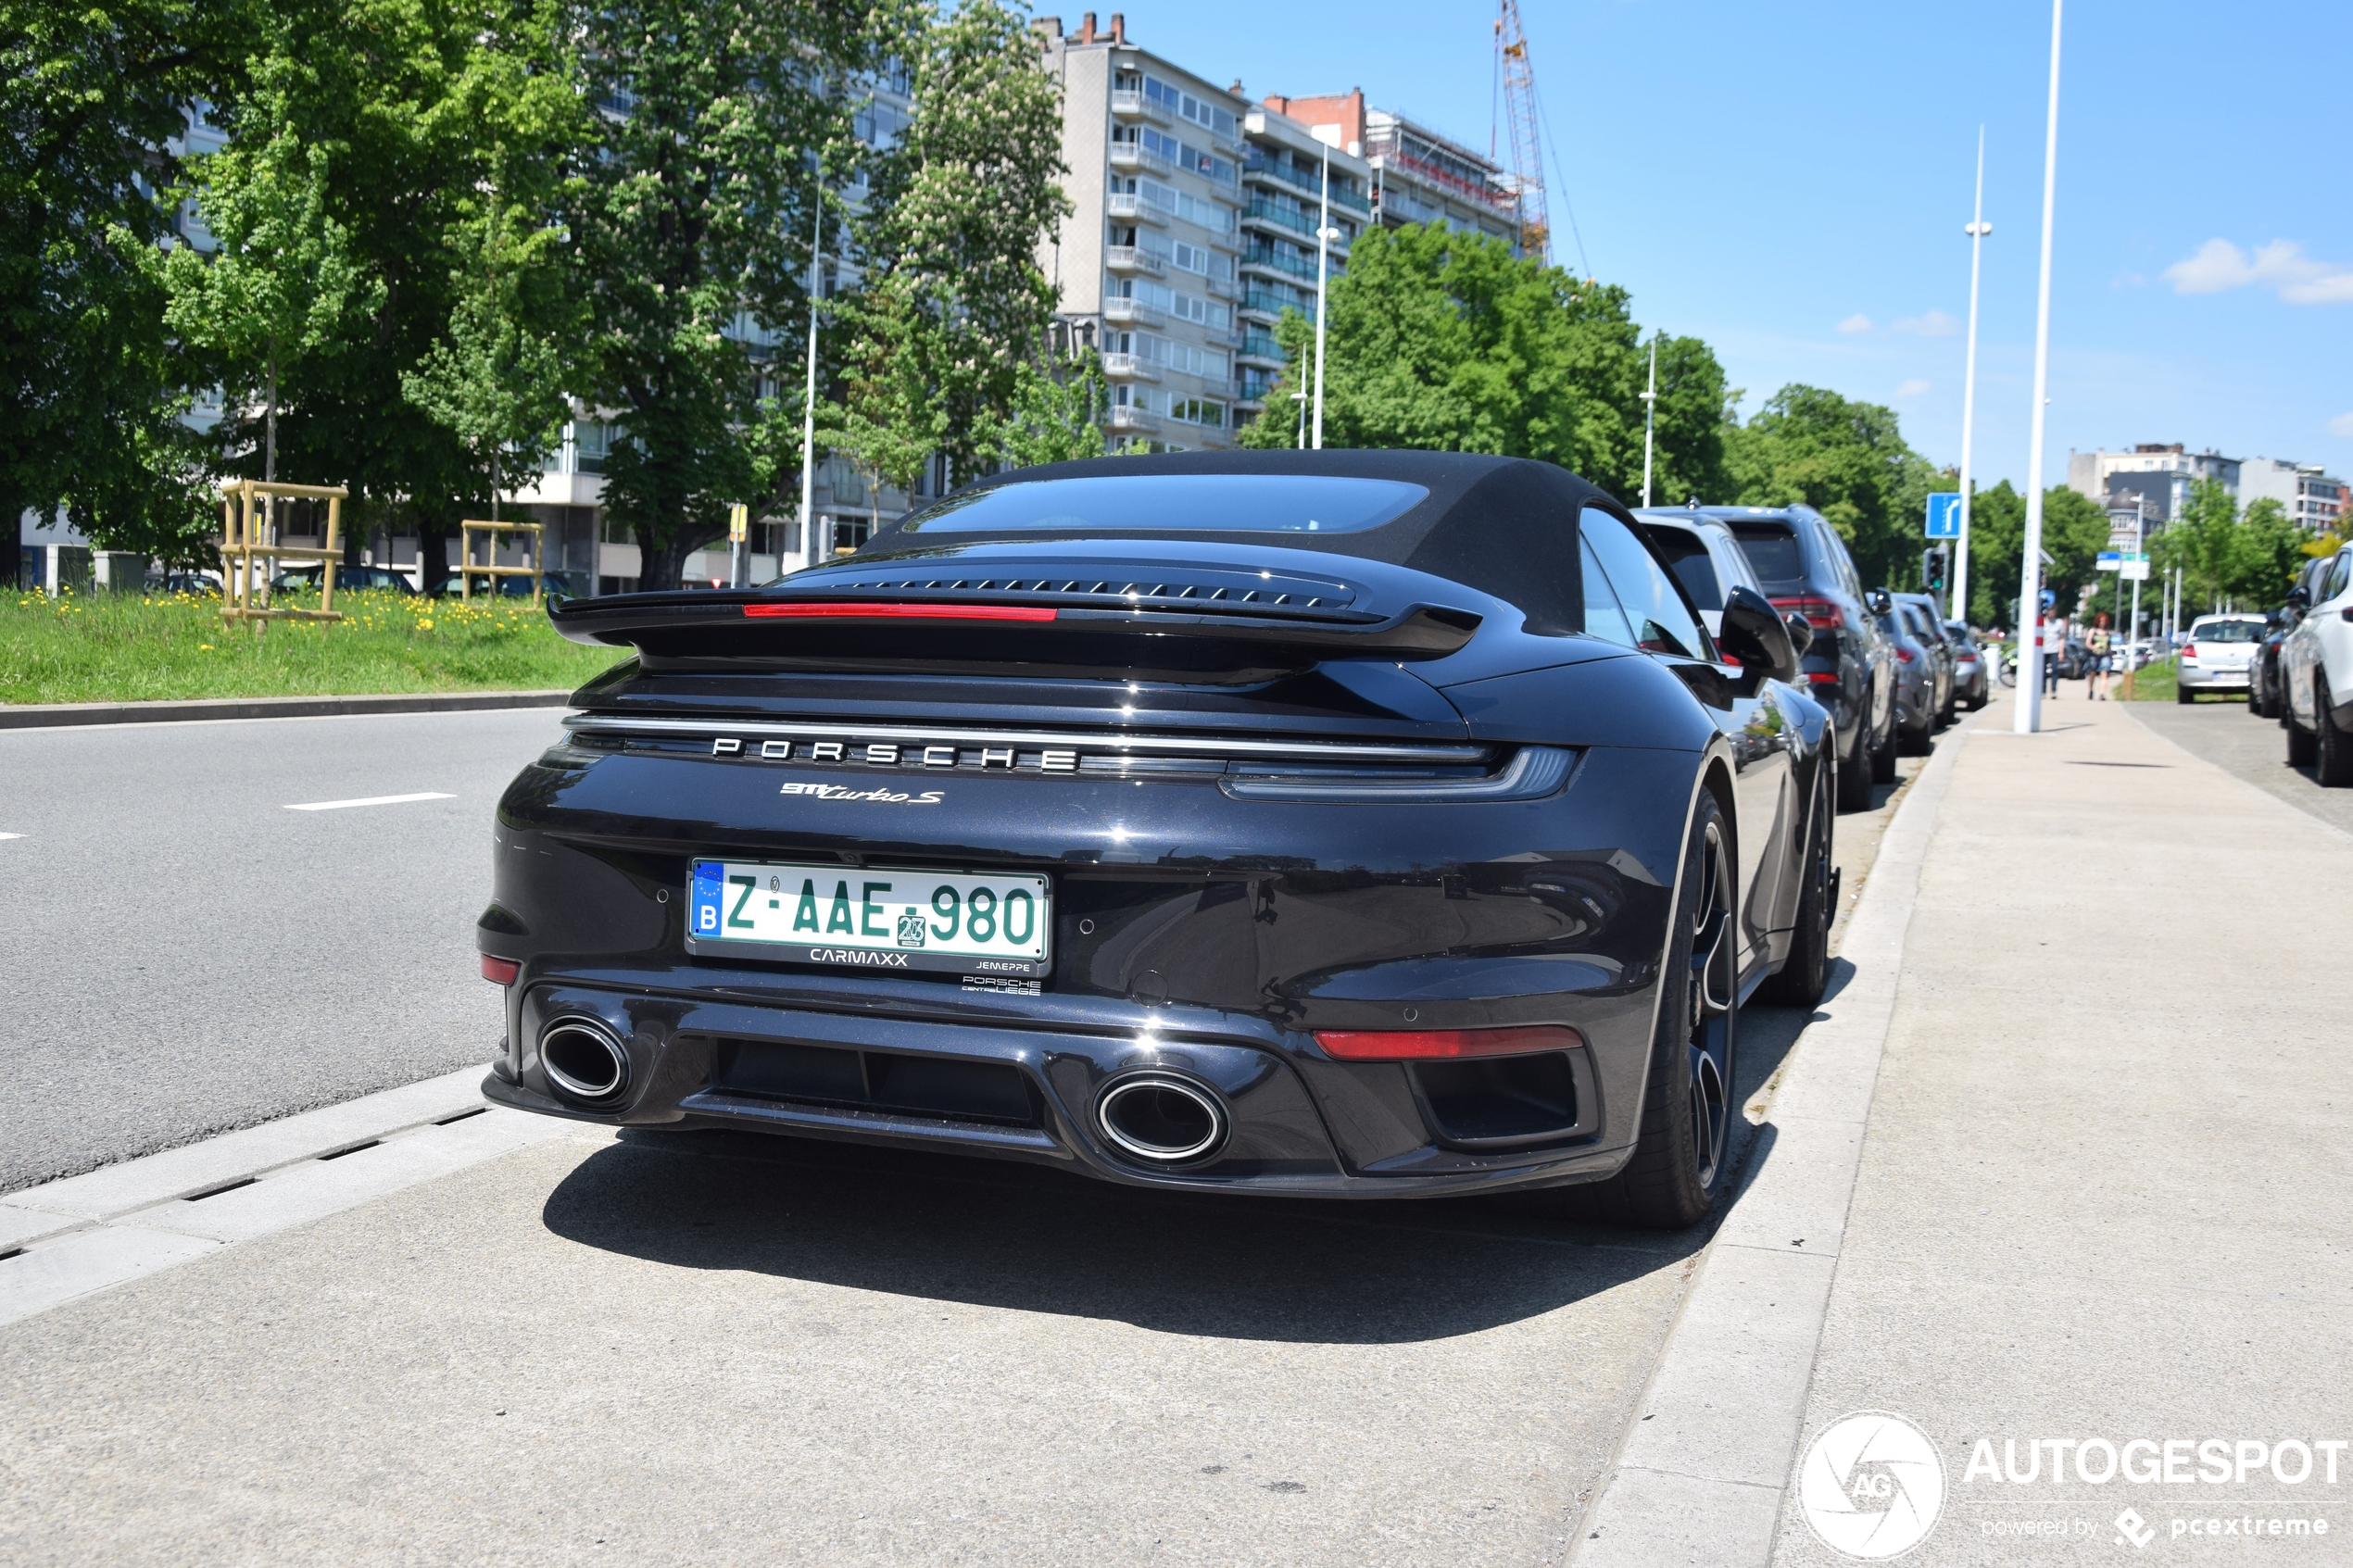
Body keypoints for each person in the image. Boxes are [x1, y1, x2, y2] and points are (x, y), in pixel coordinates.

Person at [2085, 613, 2114, 700]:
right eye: (2101, 621)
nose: (2102, 623)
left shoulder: (2108, 632)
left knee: (2104, 672)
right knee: (2093, 673)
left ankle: (2102, 693)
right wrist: (2093, 647)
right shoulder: (2092, 631)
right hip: (2094, 654)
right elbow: (2087, 643)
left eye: (2104, 621)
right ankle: (2090, 690)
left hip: (2105, 654)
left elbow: (2110, 645)